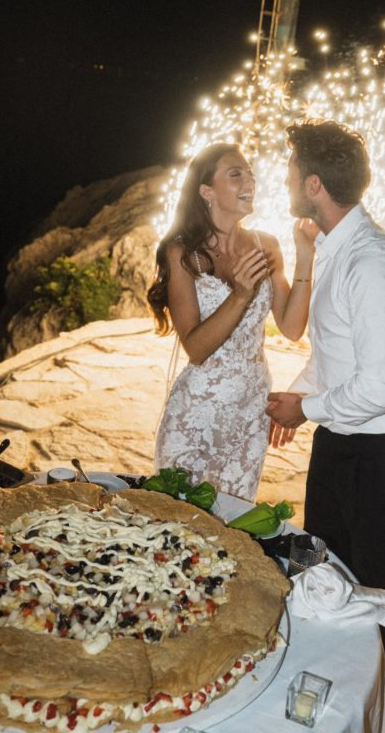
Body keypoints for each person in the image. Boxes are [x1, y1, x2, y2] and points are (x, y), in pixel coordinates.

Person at [266, 119, 385, 733]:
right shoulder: (336, 246)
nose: (285, 180)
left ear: (314, 184)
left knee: (381, 606)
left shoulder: (372, 264)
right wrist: (299, 395)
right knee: (324, 584)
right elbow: (337, 354)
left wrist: (307, 410)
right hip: (343, 445)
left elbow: (382, 385)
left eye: (291, 172)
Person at [147, 141, 316, 501]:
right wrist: (240, 294)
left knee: (233, 519)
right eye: (236, 175)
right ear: (206, 191)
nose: (249, 182)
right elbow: (196, 349)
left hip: (250, 411)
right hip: (197, 411)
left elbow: (291, 328)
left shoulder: (266, 245)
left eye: (250, 175)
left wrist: (305, 255)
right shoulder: (182, 253)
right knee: (177, 516)